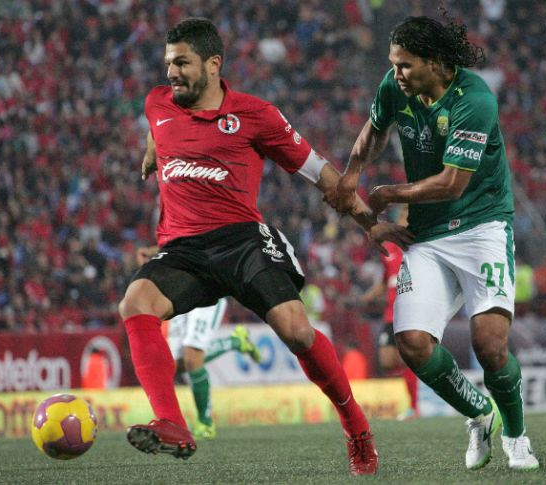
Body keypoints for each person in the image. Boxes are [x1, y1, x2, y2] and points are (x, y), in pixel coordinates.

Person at [119, 17, 412, 475]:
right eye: (168, 63)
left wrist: (369, 224)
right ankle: (172, 423)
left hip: (241, 241)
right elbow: (158, 125)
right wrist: (151, 149)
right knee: (135, 303)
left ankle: (356, 427)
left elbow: (321, 174)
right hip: (184, 249)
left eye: (182, 63)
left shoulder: (257, 115)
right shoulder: (158, 102)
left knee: (296, 331)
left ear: (213, 64)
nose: (171, 73)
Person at [328, 15, 539, 471]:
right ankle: (479, 413)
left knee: (490, 346)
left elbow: (452, 183)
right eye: (393, 64)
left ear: (436, 62)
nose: (396, 74)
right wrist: (352, 173)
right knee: (412, 343)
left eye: (405, 65)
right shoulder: (395, 86)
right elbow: (375, 128)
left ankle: (516, 435)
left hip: (482, 227)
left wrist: (388, 193)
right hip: (427, 234)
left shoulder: (475, 99)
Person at [135, 244, 262, 440]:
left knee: (192, 357)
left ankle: (205, 422)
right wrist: (152, 254)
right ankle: (235, 341)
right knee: (175, 365)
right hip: (179, 295)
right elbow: (174, 242)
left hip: (207, 292)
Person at [359, 237, 419, 421]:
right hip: (389, 314)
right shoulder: (387, 249)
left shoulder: (414, 245)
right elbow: (386, 280)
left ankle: (413, 407)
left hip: (406, 309)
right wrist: (369, 296)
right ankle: (416, 372)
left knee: (405, 359)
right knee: (386, 361)